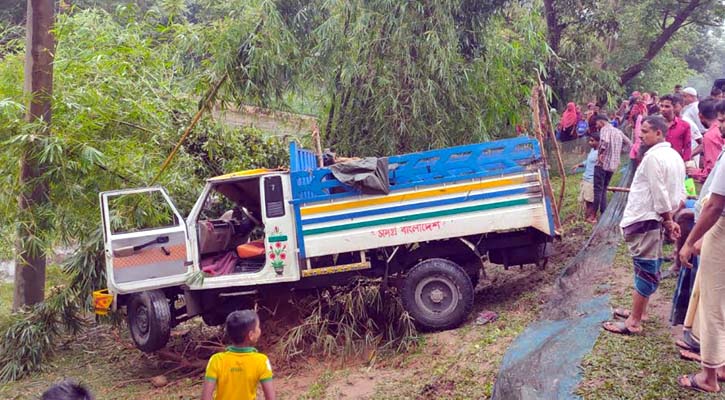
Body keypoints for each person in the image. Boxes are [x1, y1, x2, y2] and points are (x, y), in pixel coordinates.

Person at [603, 115, 685, 335]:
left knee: (645, 268)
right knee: (646, 265)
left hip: (646, 219)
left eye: (646, 131)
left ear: (659, 132)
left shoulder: (653, 158)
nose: (641, 134)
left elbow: (660, 194)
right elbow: (680, 193)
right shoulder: (674, 156)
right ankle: (641, 311)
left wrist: (668, 219)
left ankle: (634, 321)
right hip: (654, 219)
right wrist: (670, 217)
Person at [677, 102, 725, 393]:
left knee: (712, 302)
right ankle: (721, 363)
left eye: (723, 120)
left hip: (721, 233)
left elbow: (716, 206)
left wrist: (691, 240)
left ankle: (708, 376)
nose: (719, 126)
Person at [202, 310, 275, 400]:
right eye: (258, 327)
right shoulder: (262, 361)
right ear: (251, 335)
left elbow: (205, 398)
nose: (260, 330)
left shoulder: (216, 360)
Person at [592, 115, 631, 217]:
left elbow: (605, 141)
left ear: (601, 122)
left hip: (602, 164)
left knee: (597, 190)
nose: (597, 126)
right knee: (604, 189)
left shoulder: (604, 129)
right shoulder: (618, 131)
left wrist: (601, 153)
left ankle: (592, 215)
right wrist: (619, 152)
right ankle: (603, 212)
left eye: (597, 124)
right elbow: (629, 143)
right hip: (613, 165)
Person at [687, 98, 724, 183]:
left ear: (700, 115)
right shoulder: (719, 131)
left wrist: (695, 172)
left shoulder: (710, 136)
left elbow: (713, 170)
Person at [572, 132, 600, 223]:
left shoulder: (599, 153)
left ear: (598, 142)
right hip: (586, 178)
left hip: (592, 179)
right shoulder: (592, 150)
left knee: (590, 200)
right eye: (590, 140)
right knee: (586, 200)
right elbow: (588, 161)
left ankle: (592, 217)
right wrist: (579, 165)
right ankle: (587, 217)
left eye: (592, 141)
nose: (589, 142)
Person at [660, 94, 692, 161]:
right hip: (658, 161)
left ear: (674, 107)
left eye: (667, 106)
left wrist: (684, 163)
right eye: (661, 106)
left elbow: (687, 148)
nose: (663, 109)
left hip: (675, 162)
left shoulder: (684, 125)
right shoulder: (654, 124)